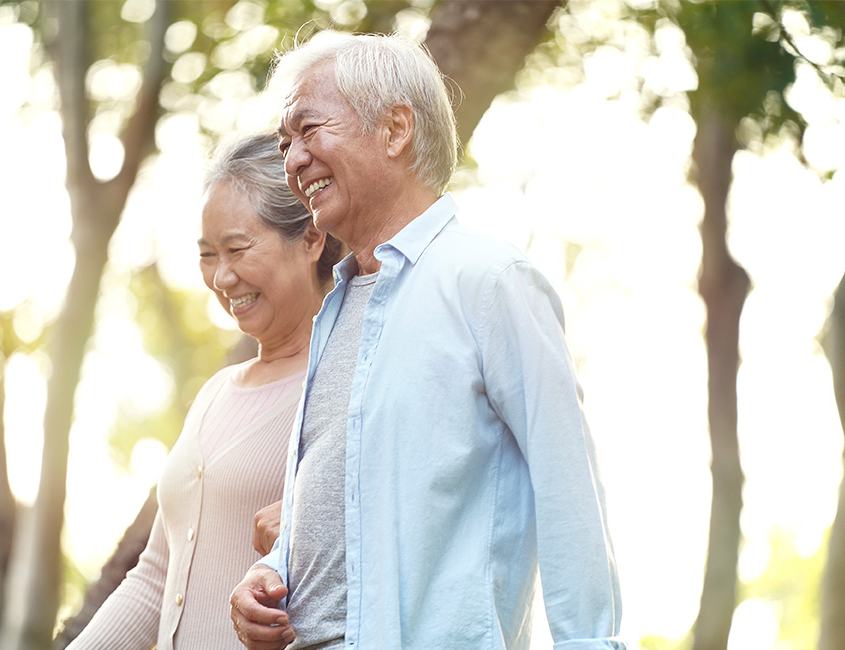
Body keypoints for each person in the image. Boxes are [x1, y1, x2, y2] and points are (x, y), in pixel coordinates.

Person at [229, 31, 624, 650]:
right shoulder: (334, 307)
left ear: (394, 130)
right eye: (286, 144)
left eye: (309, 130)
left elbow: (568, 488)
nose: (293, 160)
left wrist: (589, 643)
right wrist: (273, 571)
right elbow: (350, 507)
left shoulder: (490, 282)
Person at [66, 133, 340, 650]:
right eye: (208, 255)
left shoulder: (338, 388)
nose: (222, 276)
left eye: (237, 249)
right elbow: (155, 577)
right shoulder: (216, 393)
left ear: (310, 239)